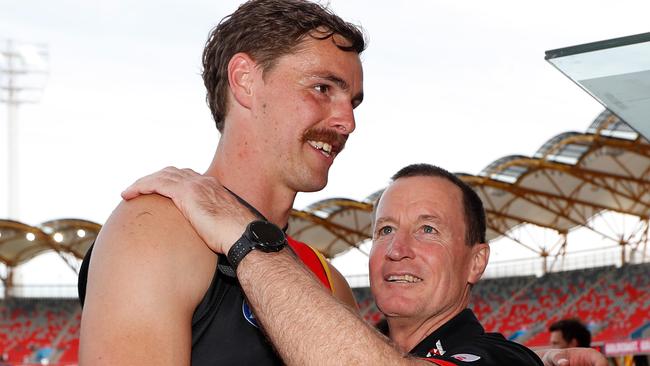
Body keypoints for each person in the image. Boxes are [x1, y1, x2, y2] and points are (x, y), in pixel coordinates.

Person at [78, 0, 365, 364]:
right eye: (323, 88)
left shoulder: (325, 279)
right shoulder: (154, 228)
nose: (347, 121)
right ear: (245, 80)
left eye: (353, 102)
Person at [121, 164, 608, 366]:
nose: (398, 249)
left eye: (429, 230)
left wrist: (242, 236)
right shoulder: (353, 333)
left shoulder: (505, 359)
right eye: (384, 230)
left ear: (475, 262)